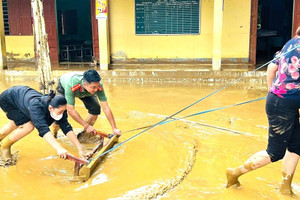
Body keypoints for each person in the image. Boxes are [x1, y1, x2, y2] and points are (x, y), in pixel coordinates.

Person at [226, 26, 300, 195]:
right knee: (274, 153)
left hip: (280, 101)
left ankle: (285, 188)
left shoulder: (291, 43)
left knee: (296, 146)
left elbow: (271, 69)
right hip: (283, 104)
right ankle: (234, 173)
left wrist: (271, 91)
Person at [0, 86, 88, 165]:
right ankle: (5, 147)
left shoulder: (60, 108)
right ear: (50, 108)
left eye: (63, 111)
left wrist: (80, 148)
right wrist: (59, 148)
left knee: (13, 125)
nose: (62, 113)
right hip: (9, 99)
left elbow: (66, 127)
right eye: (60, 112)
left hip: (21, 97)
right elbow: (44, 130)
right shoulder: (36, 107)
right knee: (28, 127)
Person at [54, 69, 121, 137]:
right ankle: (54, 134)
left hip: (86, 91)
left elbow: (106, 107)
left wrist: (114, 128)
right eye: (94, 87)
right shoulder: (71, 84)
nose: (96, 90)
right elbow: (70, 110)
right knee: (60, 115)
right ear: (84, 85)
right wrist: (86, 125)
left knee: (95, 108)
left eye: (97, 87)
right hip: (65, 88)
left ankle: (84, 134)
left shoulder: (97, 86)